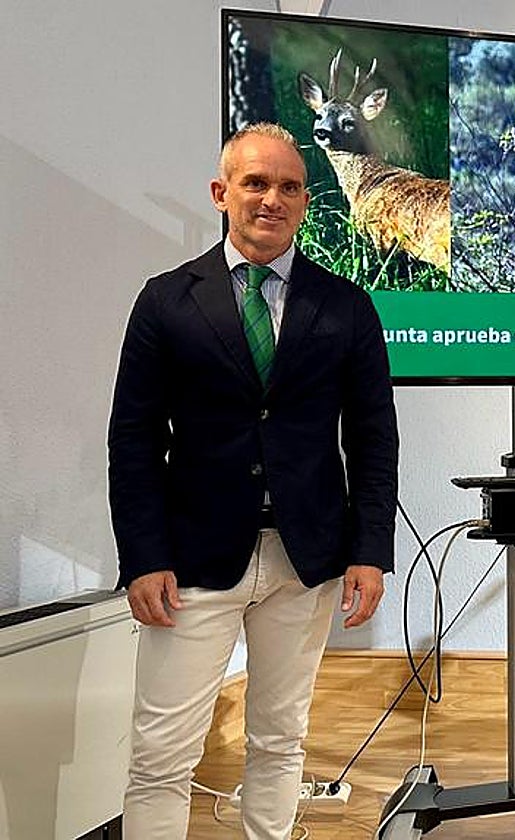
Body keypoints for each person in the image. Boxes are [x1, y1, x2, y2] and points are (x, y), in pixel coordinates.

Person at [108, 122, 399, 839]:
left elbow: (372, 438)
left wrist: (370, 549)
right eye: (256, 183)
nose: (273, 199)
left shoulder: (346, 306)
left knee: (280, 741)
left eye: (290, 187)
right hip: (192, 561)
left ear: (306, 202)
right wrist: (143, 556)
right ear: (221, 193)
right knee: (161, 754)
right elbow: (134, 440)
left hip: (307, 560)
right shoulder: (165, 301)